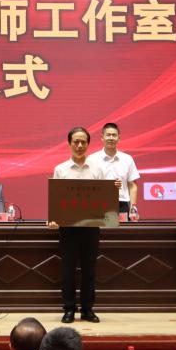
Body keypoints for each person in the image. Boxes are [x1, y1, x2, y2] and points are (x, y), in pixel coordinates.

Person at [50, 126, 120, 323]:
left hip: (91, 227)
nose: (80, 145)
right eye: (76, 142)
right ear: (69, 144)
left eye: (83, 142)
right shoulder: (60, 169)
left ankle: (88, 309)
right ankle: (69, 309)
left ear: (88, 144)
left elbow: (105, 198)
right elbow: (56, 198)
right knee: (68, 269)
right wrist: (53, 217)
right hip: (68, 228)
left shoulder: (98, 169)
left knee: (90, 269)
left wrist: (113, 189)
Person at [88, 122, 139, 215]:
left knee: (122, 225)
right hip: (98, 203)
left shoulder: (127, 159)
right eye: (108, 135)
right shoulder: (91, 159)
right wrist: (107, 186)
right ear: (102, 137)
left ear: (119, 138)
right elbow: (88, 185)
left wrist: (133, 208)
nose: (111, 138)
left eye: (114, 135)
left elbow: (132, 186)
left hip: (122, 204)